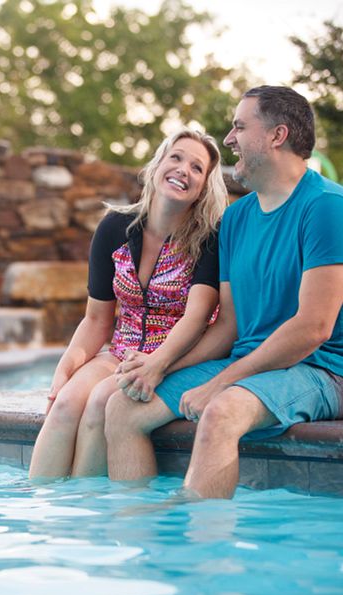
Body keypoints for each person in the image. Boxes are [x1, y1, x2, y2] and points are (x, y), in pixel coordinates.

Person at [105, 85, 343, 499]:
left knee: (221, 412)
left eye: (239, 127)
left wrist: (221, 384)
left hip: (320, 369)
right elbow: (229, 325)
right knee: (123, 409)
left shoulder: (326, 207)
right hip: (249, 363)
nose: (229, 139)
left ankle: (205, 558)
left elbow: (313, 328)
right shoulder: (235, 219)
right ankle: (141, 542)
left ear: (277, 136)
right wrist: (163, 366)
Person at [29, 128, 229, 479]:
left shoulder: (209, 240)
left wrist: (156, 363)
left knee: (98, 406)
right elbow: (96, 320)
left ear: (203, 188)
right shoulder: (114, 227)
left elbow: (198, 319)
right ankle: (42, 516)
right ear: (156, 167)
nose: (184, 169)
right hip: (120, 351)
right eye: (176, 157)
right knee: (63, 406)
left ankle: (86, 515)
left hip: (175, 356)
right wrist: (66, 368)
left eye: (197, 168)